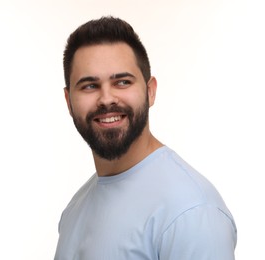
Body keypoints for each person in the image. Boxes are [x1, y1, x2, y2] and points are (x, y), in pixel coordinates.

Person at [55, 16, 237, 260]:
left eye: (122, 82)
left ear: (150, 92)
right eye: (89, 86)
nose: (107, 98)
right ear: (69, 101)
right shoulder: (75, 209)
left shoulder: (190, 212)